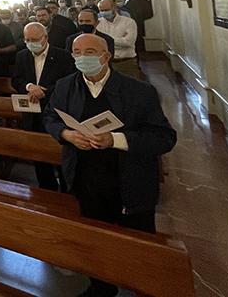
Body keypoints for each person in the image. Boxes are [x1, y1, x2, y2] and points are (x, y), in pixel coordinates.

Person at [44, 33, 176, 297]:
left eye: (90, 52)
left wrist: (114, 139)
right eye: (77, 52)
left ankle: (145, 288)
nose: (83, 57)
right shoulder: (65, 85)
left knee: (139, 243)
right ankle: (101, 287)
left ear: (106, 56)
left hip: (129, 178)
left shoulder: (139, 91)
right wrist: (66, 134)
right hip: (85, 177)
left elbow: (164, 138)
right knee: (94, 239)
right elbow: (51, 117)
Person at [12, 23, 75, 191]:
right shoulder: (22, 56)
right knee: (38, 154)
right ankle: (47, 188)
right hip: (32, 113)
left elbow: (68, 82)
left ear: (45, 38)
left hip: (56, 113)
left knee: (60, 152)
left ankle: (66, 190)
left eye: (35, 39)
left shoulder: (62, 56)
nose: (31, 43)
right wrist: (29, 86)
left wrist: (44, 91)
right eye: (27, 40)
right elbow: (16, 79)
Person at [96, 0, 140, 78]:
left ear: (114, 8)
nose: (104, 13)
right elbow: (97, 44)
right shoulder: (98, 23)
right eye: (101, 10)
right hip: (105, 63)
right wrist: (120, 40)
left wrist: (106, 40)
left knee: (131, 87)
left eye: (106, 10)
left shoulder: (129, 22)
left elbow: (128, 43)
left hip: (126, 62)